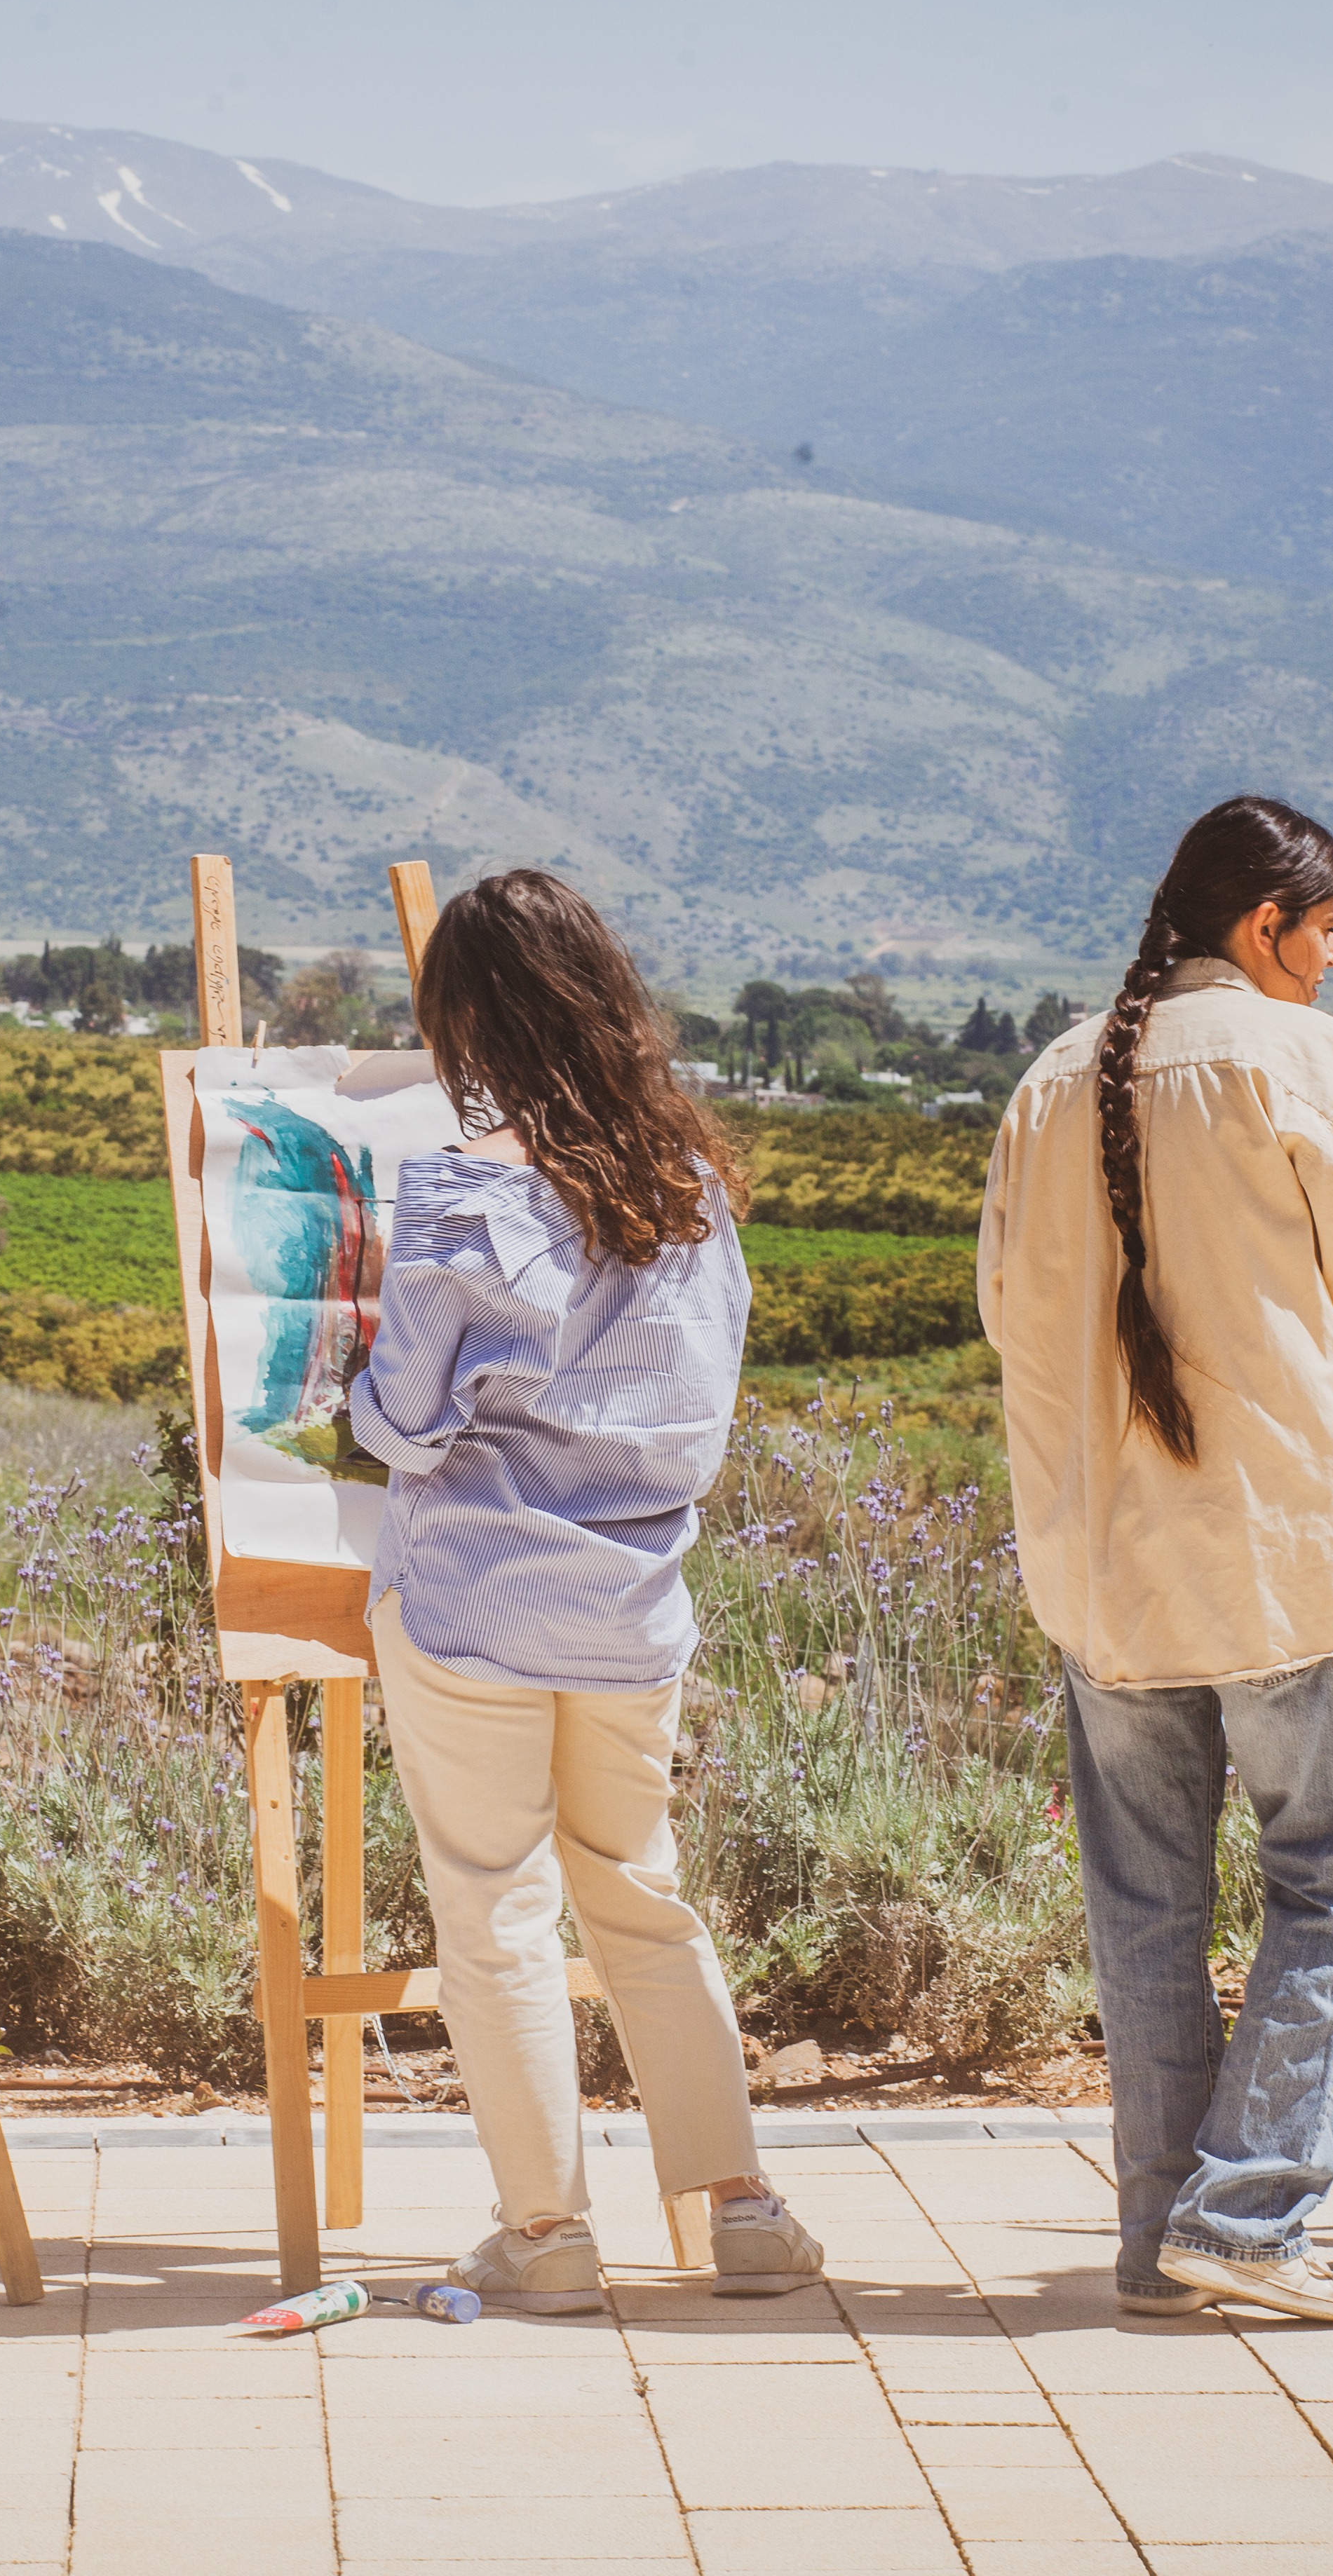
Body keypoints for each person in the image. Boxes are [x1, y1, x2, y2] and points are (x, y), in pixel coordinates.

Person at [981, 795, 1333, 2326]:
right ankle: (1252, 2217)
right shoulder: (1303, 1060)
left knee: (1145, 1907)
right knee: (1329, 1886)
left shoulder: (1052, 1076)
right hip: (1277, 1554)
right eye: (1325, 930)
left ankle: (1163, 2241)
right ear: (1261, 925)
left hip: (1104, 1568)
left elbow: (1014, 1317)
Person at [353, 866, 820, 2311]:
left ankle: (548, 2231)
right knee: (639, 1892)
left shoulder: (464, 1190)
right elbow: (699, 1417)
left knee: (496, 1907)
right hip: (632, 1610)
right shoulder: (691, 1195)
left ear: (468, 1019)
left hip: (472, 1605)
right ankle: (736, 2205)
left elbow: (412, 1422)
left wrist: (371, 1405)